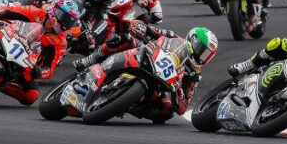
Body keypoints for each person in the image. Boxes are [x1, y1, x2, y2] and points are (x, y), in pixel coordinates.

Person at [78, 25, 219, 118]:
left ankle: (130, 105)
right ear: (193, 41)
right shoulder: (174, 37)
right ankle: (92, 58)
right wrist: (141, 27)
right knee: (123, 39)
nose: (202, 57)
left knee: (167, 110)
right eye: (202, 51)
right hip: (148, 56)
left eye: (207, 55)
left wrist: (180, 95)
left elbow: (183, 107)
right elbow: (151, 30)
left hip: (162, 84)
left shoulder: (195, 74)